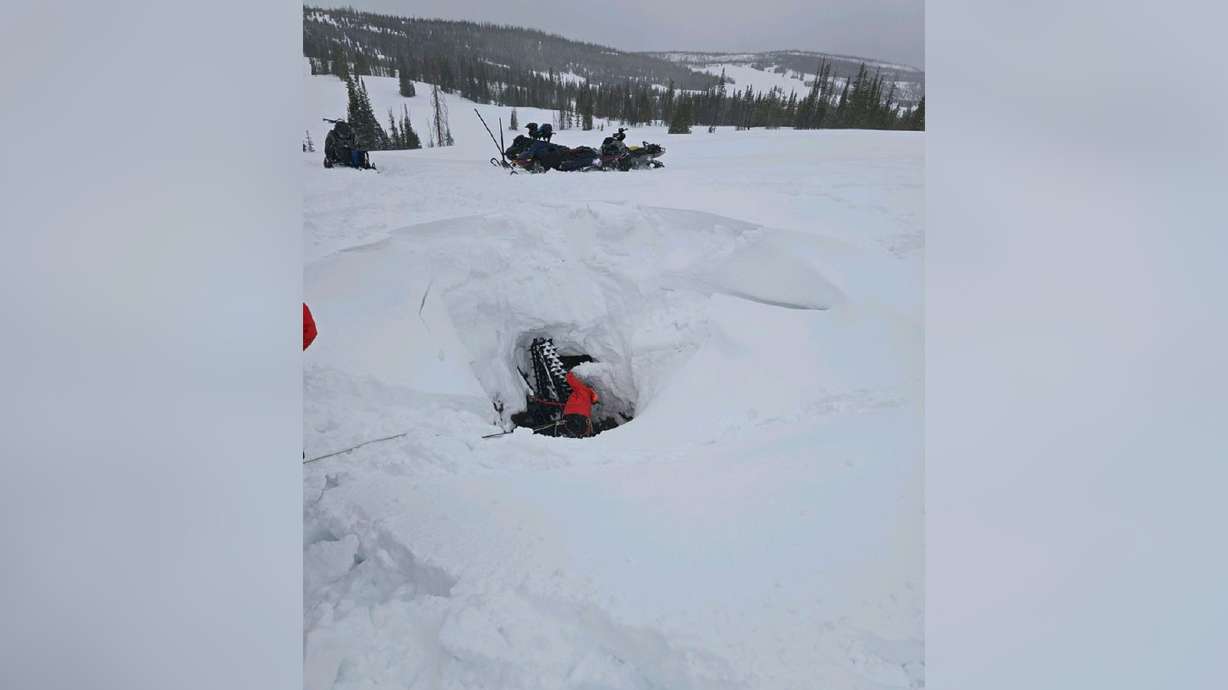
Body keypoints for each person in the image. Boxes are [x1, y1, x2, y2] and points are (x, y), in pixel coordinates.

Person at [561, 369, 598, 437]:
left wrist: (569, 374)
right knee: (579, 434)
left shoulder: (583, 389)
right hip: (583, 418)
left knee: (570, 432)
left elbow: (573, 382)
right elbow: (588, 417)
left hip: (570, 414)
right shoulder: (588, 401)